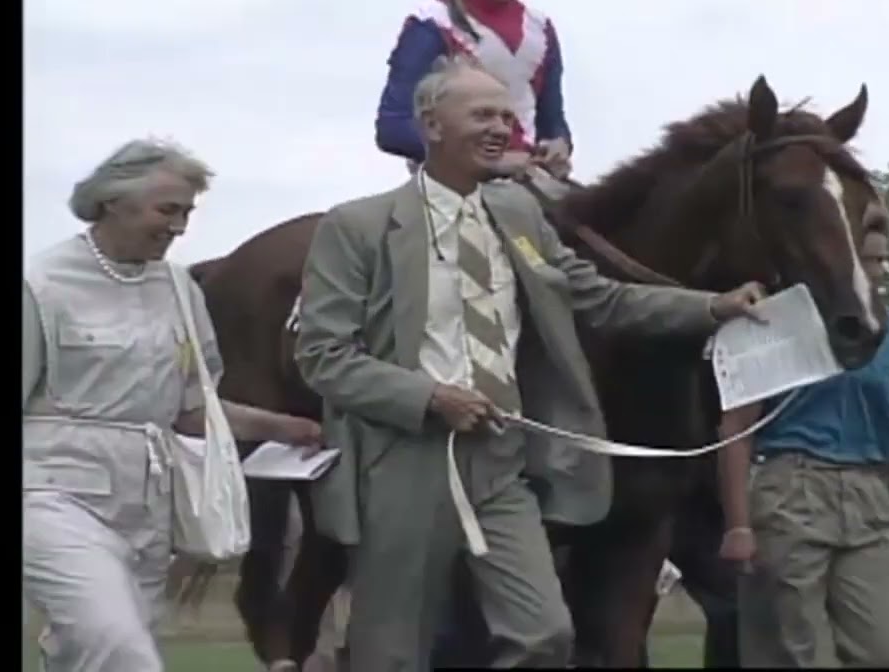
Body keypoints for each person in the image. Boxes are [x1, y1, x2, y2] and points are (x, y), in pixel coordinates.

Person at [294, 55, 767, 671]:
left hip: (500, 461)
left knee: (544, 635)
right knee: (391, 652)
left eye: (506, 116)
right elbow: (324, 356)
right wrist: (430, 397)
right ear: (432, 125)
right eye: (482, 115)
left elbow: (599, 297)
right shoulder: (357, 226)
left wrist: (711, 306)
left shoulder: (520, 216)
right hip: (402, 463)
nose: (501, 128)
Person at [22, 138, 324, 672]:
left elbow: (189, 410)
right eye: (168, 210)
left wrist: (284, 427)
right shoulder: (41, 285)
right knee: (120, 646)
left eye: (187, 212)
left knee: (90, 649)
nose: (180, 227)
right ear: (113, 201)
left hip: (149, 506)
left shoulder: (180, 290)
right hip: (54, 496)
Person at [713, 227, 889, 668]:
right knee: (795, 651)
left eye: (882, 260)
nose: (878, 271)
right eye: (868, 260)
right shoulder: (773, 321)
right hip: (791, 489)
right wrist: (738, 525)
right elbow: (737, 427)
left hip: (869, 496)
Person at [375, 0, 573, 185]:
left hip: (528, 182)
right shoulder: (432, 22)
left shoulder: (540, 29)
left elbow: (552, 121)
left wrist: (558, 146)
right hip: (453, 188)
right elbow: (393, 128)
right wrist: (487, 161)